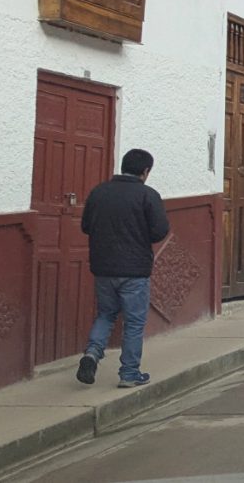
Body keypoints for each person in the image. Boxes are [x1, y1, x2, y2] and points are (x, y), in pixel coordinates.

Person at [76, 149, 169, 388]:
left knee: (106, 314)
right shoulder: (147, 195)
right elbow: (159, 231)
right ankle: (129, 373)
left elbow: (86, 226)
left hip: (103, 267)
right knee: (134, 322)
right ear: (145, 171)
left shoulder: (99, 193)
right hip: (135, 270)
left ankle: (92, 354)